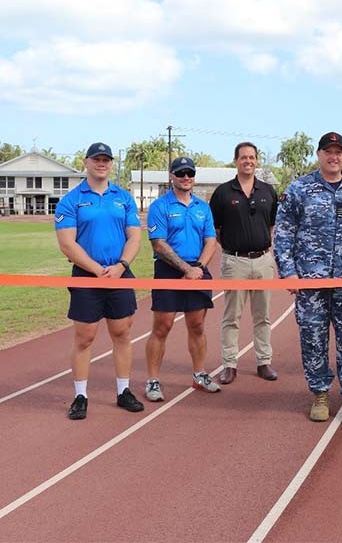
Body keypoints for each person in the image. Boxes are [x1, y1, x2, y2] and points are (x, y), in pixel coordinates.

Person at [273, 132, 342, 424]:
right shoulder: (299, 189)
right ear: (319, 155)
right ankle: (320, 393)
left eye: (338, 152)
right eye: (328, 152)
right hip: (310, 282)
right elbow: (283, 233)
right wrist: (289, 272)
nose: (334, 157)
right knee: (312, 338)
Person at [54, 142, 144, 420]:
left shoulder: (124, 198)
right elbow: (67, 244)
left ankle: (123, 391)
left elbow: (134, 237)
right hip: (86, 276)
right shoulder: (71, 200)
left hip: (119, 274)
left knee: (122, 334)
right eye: (97, 159)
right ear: (86, 162)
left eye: (106, 159)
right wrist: (95, 269)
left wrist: (121, 266)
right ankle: (80, 395)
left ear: (111, 163)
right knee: (85, 337)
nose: (101, 163)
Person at [144, 157, 220, 401]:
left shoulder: (202, 207)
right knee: (162, 327)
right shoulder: (160, 206)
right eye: (181, 173)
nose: (186, 177)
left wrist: (198, 267)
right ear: (172, 176)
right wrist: (185, 268)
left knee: (197, 326)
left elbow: (210, 240)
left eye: (190, 173)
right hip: (169, 270)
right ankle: (153, 381)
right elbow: (158, 244)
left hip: (198, 271)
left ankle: (200, 374)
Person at [209, 142, 279, 385]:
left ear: (257, 161)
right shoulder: (222, 193)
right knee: (232, 316)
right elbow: (215, 229)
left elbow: (271, 225)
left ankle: (264, 361)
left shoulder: (268, 191)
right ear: (235, 160)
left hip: (262, 261)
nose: (248, 161)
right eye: (243, 157)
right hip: (234, 261)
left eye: (252, 157)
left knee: (263, 316)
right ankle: (229, 364)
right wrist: (232, 247)